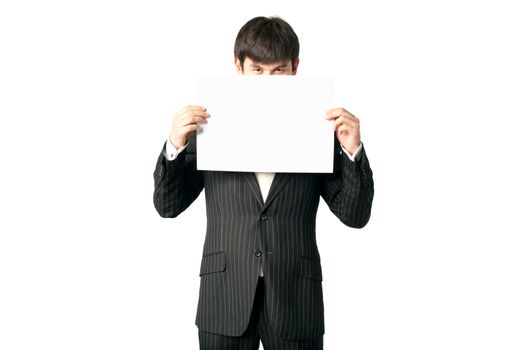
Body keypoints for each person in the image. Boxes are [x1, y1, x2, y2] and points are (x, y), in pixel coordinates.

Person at [153, 16, 374, 350]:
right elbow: (168, 207)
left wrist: (352, 149)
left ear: (295, 68)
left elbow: (355, 216)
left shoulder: (318, 133)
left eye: (278, 70)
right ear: (237, 67)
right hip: (223, 298)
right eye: (257, 70)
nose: (267, 81)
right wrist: (175, 145)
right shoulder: (209, 130)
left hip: (295, 300)